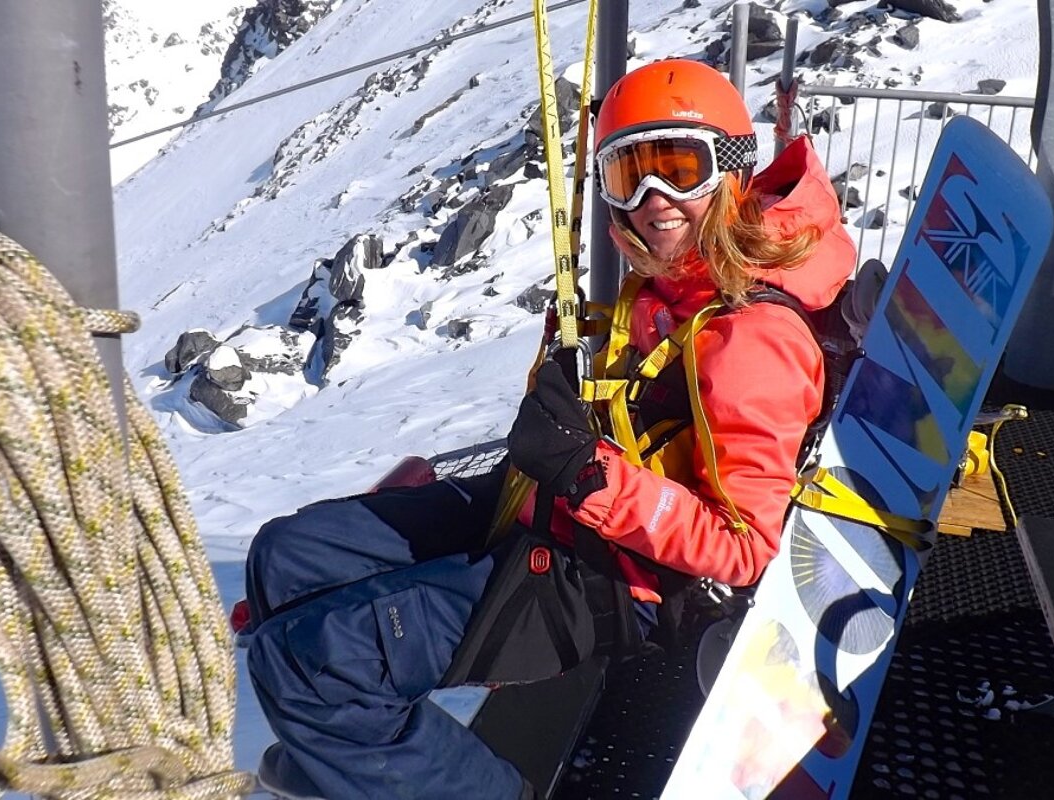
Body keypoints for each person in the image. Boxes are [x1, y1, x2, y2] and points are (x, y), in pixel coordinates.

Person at [245, 58, 856, 800]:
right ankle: (348, 748)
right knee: (286, 557)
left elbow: (744, 549)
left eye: (677, 169)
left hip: (621, 578)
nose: (654, 199)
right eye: (629, 175)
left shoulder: (753, 337)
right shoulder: (677, 285)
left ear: (730, 168)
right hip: (559, 509)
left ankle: (410, 763)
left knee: (314, 661)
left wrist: (588, 472)